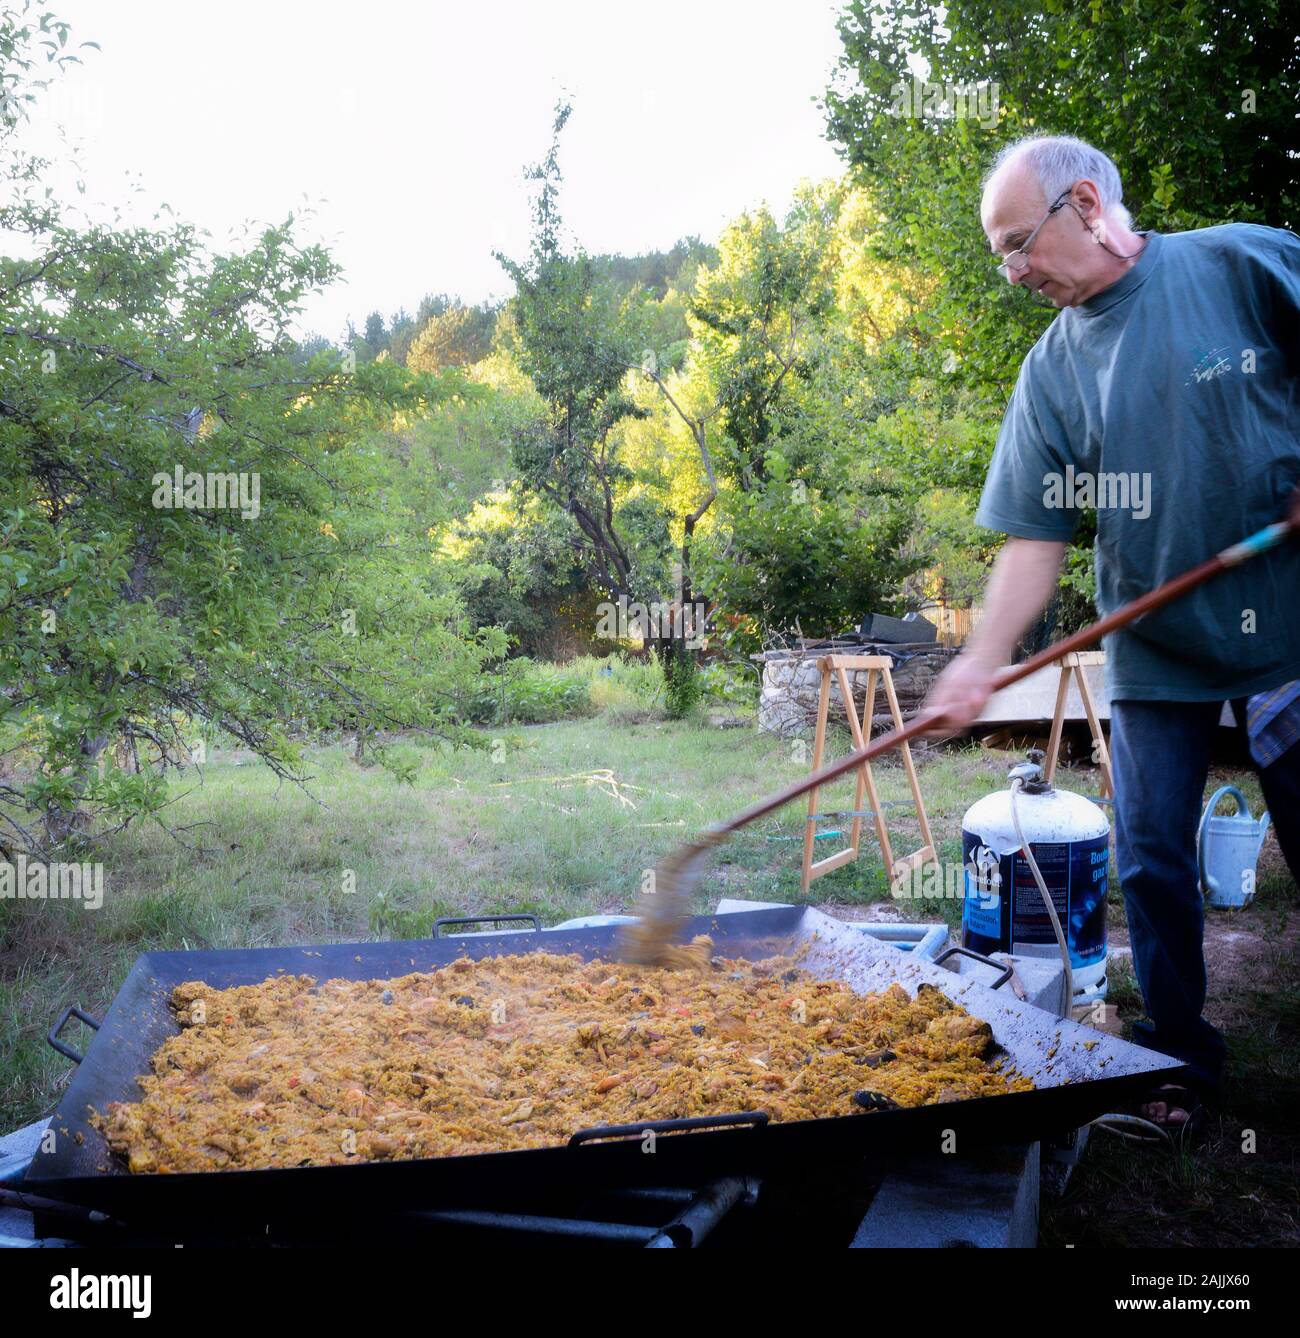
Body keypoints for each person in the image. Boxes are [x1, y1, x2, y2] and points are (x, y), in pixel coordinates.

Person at [924, 133, 1300, 1137]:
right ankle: (1177, 1054)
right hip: (1155, 646)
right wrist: (979, 662)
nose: (1012, 273)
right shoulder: (1052, 369)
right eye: (1000, 255)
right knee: (1149, 862)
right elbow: (1033, 538)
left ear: (1086, 205)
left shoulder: (1241, 262)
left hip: (1288, 622)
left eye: (1017, 244)